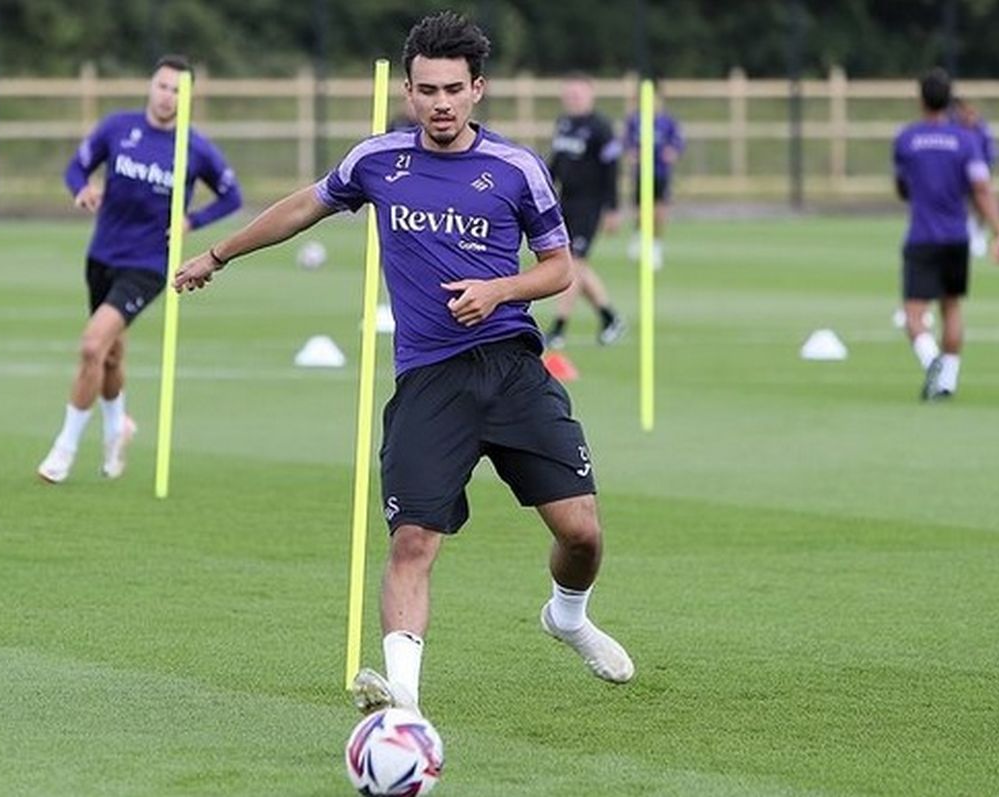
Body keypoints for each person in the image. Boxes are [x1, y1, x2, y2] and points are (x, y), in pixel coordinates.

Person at [173, 11, 634, 715]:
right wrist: (217, 254)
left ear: (477, 89)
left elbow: (559, 268)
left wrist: (498, 290)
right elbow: (303, 208)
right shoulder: (377, 160)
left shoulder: (516, 169)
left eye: (453, 89)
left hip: (511, 369)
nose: (440, 103)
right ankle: (405, 706)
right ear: (409, 92)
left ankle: (568, 617)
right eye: (427, 90)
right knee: (414, 539)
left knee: (581, 533)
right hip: (430, 380)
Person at [37, 55, 243, 483]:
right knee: (110, 356)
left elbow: (231, 196)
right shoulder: (118, 128)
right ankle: (118, 427)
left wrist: (192, 221)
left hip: (148, 264)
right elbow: (76, 167)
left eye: (177, 90)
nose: (167, 96)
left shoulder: (194, 147)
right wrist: (82, 189)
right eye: (162, 86)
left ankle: (64, 449)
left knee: (92, 346)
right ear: (151, 86)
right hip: (102, 256)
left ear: (188, 98)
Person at [893, 68, 999, 402]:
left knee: (914, 315)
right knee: (952, 307)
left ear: (921, 100)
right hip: (957, 236)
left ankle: (933, 361)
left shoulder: (907, 139)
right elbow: (981, 189)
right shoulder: (966, 141)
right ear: (949, 102)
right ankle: (947, 382)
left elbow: (902, 187)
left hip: (922, 236)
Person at [543, 73, 625, 350]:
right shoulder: (564, 124)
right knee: (576, 265)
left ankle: (558, 328)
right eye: (569, 94)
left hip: (590, 205)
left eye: (578, 94)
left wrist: (612, 208)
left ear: (591, 95)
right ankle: (609, 317)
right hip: (565, 203)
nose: (573, 99)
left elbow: (612, 170)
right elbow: (556, 163)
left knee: (573, 264)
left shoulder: (601, 128)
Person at [624, 82, 685, 269]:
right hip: (641, 172)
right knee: (640, 209)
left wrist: (673, 152)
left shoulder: (667, 122)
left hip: (660, 172)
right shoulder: (635, 121)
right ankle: (639, 236)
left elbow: (678, 142)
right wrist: (631, 153)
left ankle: (656, 246)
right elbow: (626, 142)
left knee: (660, 210)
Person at [949, 96, 999, 257]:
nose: (969, 115)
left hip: (978, 172)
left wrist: (984, 173)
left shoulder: (982, 130)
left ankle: (978, 234)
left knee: (981, 202)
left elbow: (991, 154)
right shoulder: (954, 129)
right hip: (958, 176)